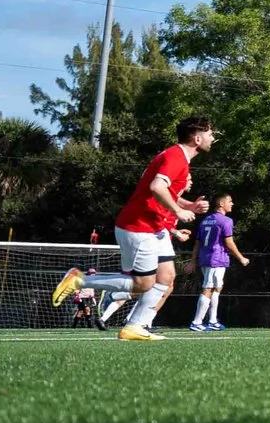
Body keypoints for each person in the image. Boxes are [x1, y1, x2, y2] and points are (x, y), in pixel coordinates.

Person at [52, 114, 214, 341]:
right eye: (209, 134)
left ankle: (134, 326)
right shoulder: (176, 156)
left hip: (154, 227)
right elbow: (157, 187)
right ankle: (79, 280)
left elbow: (165, 193)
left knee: (166, 277)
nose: (212, 138)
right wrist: (179, 212)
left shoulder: (180, 159)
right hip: (138, 226)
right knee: (143, 284)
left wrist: (191, 205)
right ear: (197, 139)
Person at [189, 194, 248, 331]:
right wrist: (241, 258)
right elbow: (229, 242)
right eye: (230, 201)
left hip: (206, 257)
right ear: (221, 204)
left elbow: (197, 243)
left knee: (217, 288)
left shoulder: (205, 220)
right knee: (208, 288)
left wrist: (193, 260)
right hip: (216, 258)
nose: (232, 204)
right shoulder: (226, 221)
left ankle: (212, 320)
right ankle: (197, 322)